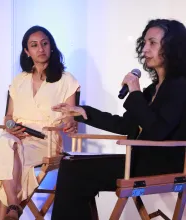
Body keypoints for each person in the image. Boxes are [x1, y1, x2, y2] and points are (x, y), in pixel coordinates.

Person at [51, 19, 186, 220]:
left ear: (172, 47)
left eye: (153, 43)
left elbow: (158, 130)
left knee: (75, 171)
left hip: (164, 164)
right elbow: (125, 124)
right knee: (70, 166)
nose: (145, 49)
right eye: (145, 43)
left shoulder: (180, 85)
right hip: (141, 160)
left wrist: (134, 93)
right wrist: (82, 112)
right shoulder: (152, 90)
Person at [0, 26, 80, 220]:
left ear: (51, 47)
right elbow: (8, 117)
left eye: (45, 43)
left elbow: (71, 114)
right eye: (34, 45)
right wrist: (12, 126)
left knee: (3, 158)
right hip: (16, 136)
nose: (41, 49)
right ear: (27, 51)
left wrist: (70, 120)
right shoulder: (19, 80)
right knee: (6, 143)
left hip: (46, 140)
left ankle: (8, 210)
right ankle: (14, 206)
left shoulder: (66, 80)